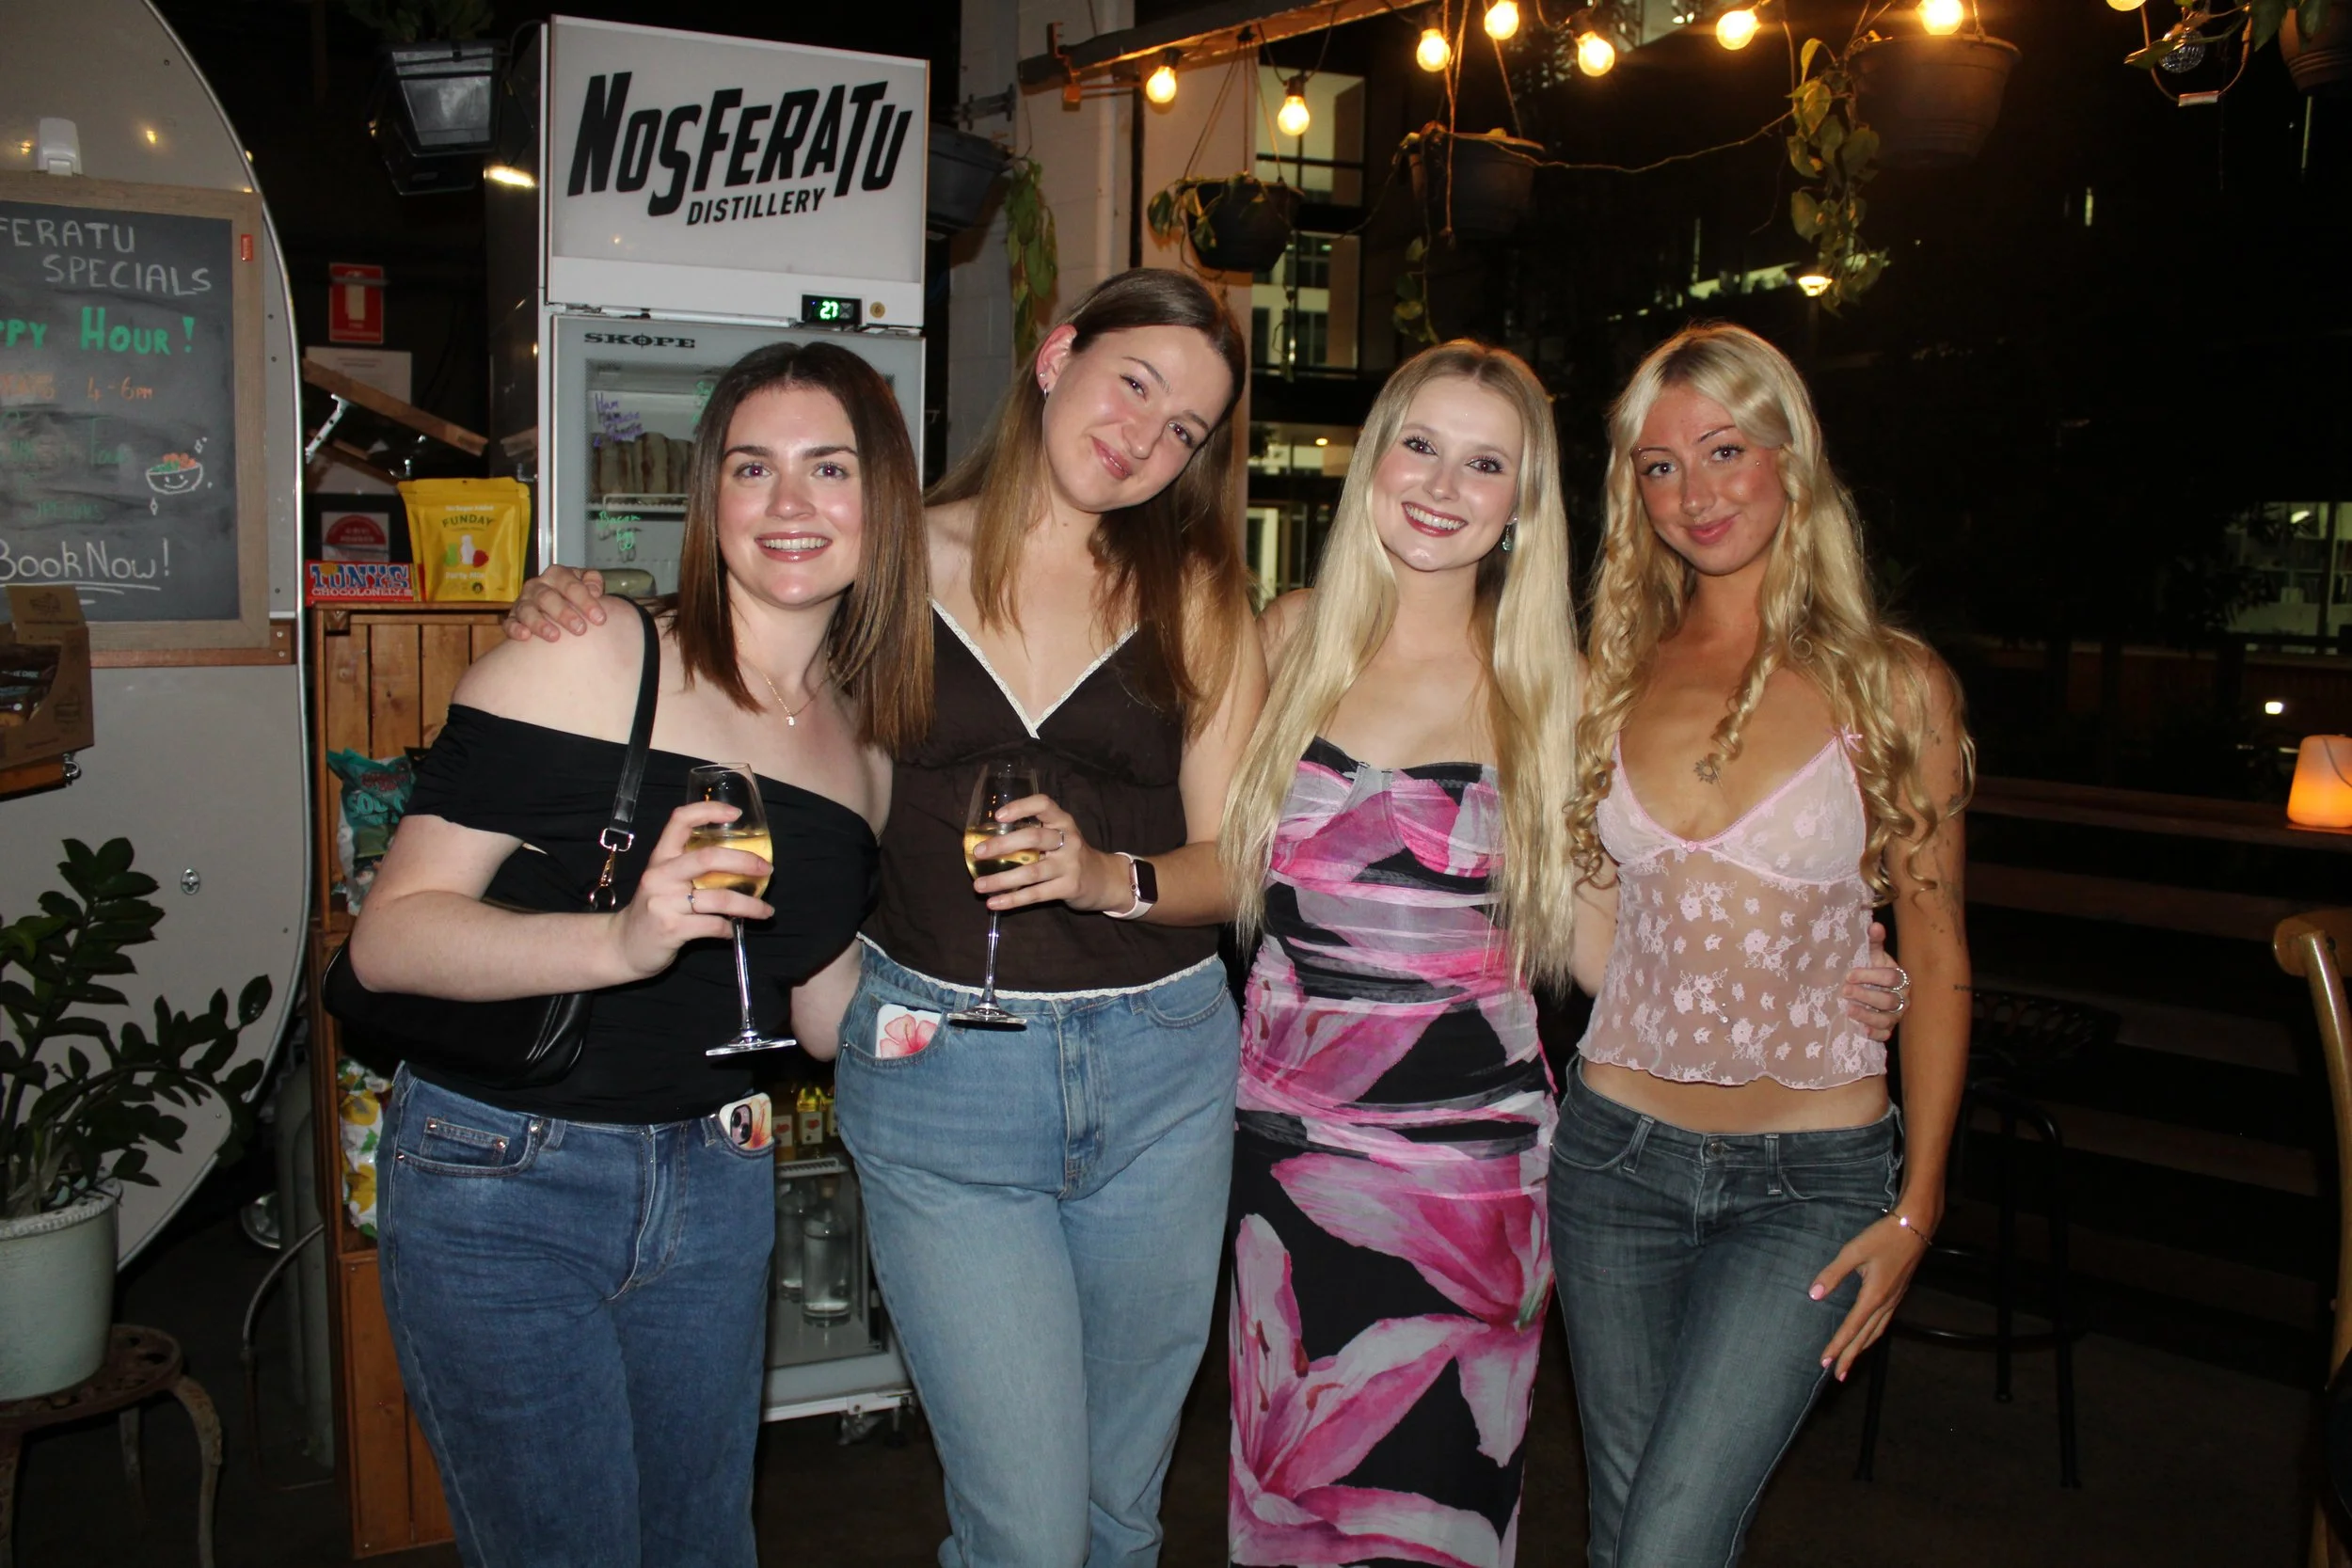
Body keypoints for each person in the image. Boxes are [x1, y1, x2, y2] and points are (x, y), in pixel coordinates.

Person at [504, 268, 1266, 1568]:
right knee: (1029, 1534)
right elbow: (735, 655)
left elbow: (1236, 865)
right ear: (1057, 356)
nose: (1146, 435)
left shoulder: (1195, 590)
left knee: (1120, 1515)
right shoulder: (887, 557)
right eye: (1134, 384)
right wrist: (578, 608)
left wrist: (1109, 878)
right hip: (943, 1072)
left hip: (1163, 1072)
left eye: (1185, 427)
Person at [350, 341, 924, 1568]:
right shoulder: (595, 653)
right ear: (708, 497)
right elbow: (390, 938)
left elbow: (821, 1012)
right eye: (752, 467)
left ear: (883, 500)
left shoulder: (864, 745)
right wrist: (620, 940)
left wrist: (984, 989)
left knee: (704, 1542)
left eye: (829, 468)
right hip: (507, 1171)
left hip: (719, 1176)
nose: (788, 503)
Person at [1553, 321, 1972, 1568]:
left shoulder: (1895, 684)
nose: (1697, 492)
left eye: (1726, 449)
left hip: (1812, 1181)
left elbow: (1942, 950)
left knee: (1667, 1541)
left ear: (1792, 455)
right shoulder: (1605, 679)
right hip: (1613, 1161)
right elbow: (1605, 945)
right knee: (1629, 1534)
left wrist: (1919, 1202)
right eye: (1661, 465)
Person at [1217, 342, 1581, 1566]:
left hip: (1468, 1192)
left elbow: (1611, 942)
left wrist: (1820, 979)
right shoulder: (1285, 639)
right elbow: (1192, 841)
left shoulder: (1556, 688)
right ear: (1373, 459)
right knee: (1294, 1517)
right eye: (1420, 444)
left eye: (1485, 463)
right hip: (1289, 1164)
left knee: (1435, 1526)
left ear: (1522, 503)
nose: (1441, 484)